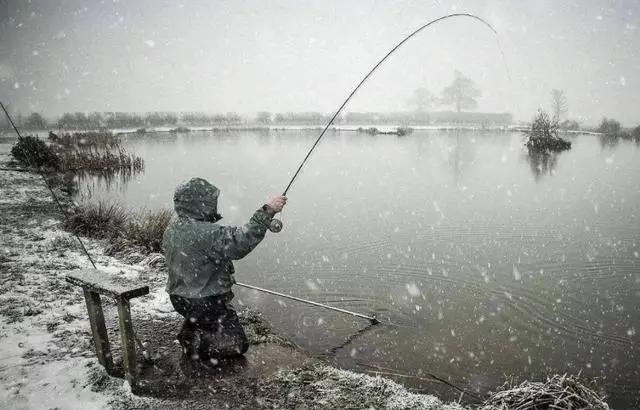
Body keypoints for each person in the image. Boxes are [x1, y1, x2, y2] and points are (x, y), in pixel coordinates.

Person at [162, 177, 286, 364]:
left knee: (200, 317)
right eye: (210, 201)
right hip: (206, 302)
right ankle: (198, 347)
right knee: (237, 345)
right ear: (200, 204)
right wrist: (267, 211)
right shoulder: (207, 232)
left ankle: (192, 331)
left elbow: (197, 258)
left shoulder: (173, 228)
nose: (214, 205)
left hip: (179, 299)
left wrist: (222, 271)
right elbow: (239, 243)